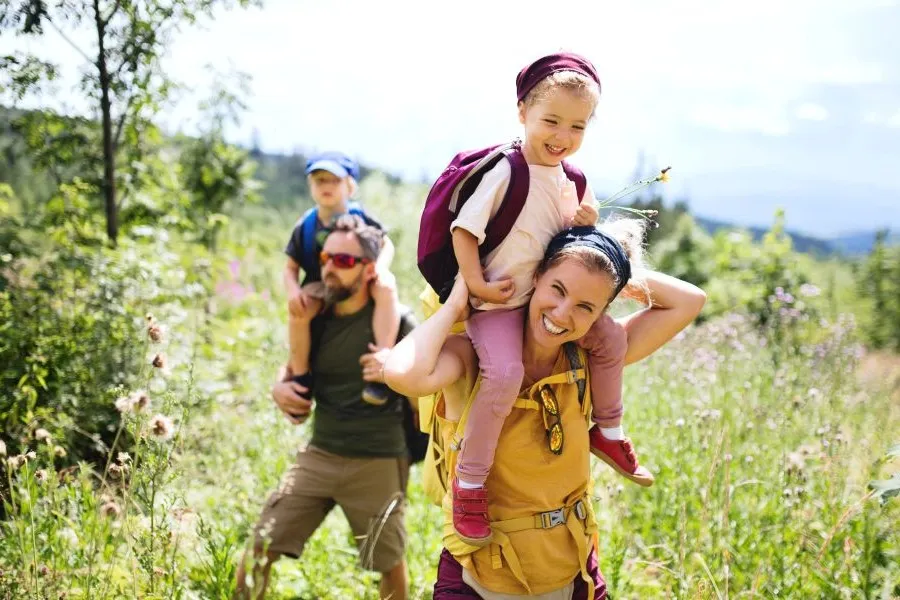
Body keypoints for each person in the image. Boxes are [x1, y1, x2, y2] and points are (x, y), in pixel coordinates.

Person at [386, 222, 707, 598]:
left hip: (573, 575)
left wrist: (608, 262)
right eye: (558, 289)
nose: (562, 313)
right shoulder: (472, 355)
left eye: (585, 306)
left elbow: (690, 301)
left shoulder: (590, 359)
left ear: (600, 314)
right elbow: (402, 374)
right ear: (534, 276)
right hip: (478, 579)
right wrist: (457, 303)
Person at [436, 52, 650, 547]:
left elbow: (578, 239)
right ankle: (470, 483)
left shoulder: (571, 178)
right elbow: (464, 231)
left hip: (547, 303)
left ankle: (608, 430)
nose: (562, 135)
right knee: (505, 374)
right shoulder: (506, 172)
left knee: (611, 340)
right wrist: (478, 286)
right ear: (522, 113)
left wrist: (586, 220)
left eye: (576, 126)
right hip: (499, 304)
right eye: (550, 120)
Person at [236, 215, 413, 600]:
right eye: (326, 257)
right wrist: (278, 388)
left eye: (344, 261)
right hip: (321, 453)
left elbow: (425, 390)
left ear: (369, 270)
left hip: (378, 459)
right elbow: (293, 369)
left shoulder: (398, 321)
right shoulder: (316, 317)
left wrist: (396, 376)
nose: (330, 267)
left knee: (389, 563)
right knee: (258, 549)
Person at [284, 151, 400, 407]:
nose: (326, 187)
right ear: (310, 186)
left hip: (360, 278)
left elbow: (386, 244)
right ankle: (301, 377)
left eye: (333, 181)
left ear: (350, 186)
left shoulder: (362, 217)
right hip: (320, 282)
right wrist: (293, 291)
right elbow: (290, 267)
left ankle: (381, 363)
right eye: (319, 180)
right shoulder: (306, 225)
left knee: (386, 287)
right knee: (299, 311)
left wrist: (380, 268)